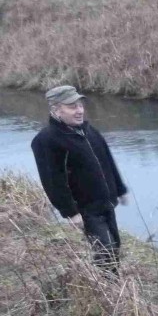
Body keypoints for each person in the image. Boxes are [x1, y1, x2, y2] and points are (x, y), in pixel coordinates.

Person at [31, 85, 129, 274]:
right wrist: (70, 212)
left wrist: (120, 188)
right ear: (56, 110)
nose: (80, 110)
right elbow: (53, 181)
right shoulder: (46, 140)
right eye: (72, 107)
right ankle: (109, 292)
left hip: (106, 203)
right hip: (86, 209)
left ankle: (110, 286)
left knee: (114, 246)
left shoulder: (90, 132)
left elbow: (108, 161)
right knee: (105, 251)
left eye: (80, 105)